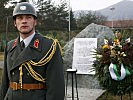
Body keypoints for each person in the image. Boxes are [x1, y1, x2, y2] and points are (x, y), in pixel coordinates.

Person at [0, 2, 65, 100]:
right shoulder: (10, 46)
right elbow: (5, 82)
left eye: (28, 17)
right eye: (20, 18)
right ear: (14, 23)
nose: (24, 21)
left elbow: (56, 87)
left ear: (35, 21)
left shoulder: (49, 47)